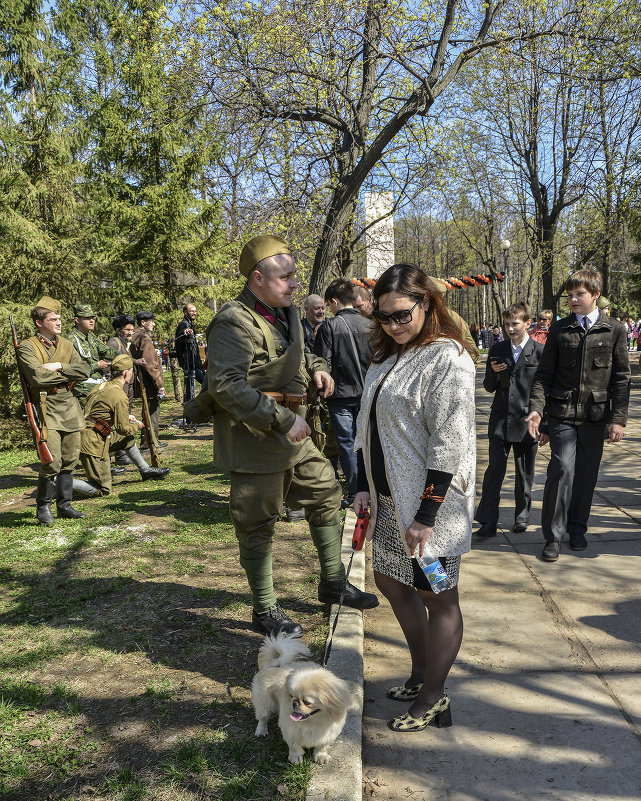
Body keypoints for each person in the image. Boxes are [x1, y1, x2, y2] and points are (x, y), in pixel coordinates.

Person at [206, 234, 378, 637]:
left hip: (290, 430)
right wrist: (282, 419)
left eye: (294, 275)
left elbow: (302, 353)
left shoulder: (284, 314)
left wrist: (319, 366)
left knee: (325, 491)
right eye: (286, 276)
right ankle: (264, 611)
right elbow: (227, 386)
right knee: (257, 522)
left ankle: (333, 582)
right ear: (258, 279)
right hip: (254, 436)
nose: (295, 283)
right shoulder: (233, 321)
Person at [354, 262, 476, 733]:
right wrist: (362, 486)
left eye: (402, 315)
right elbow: (366, 429)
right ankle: (423, 671)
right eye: (383, 317)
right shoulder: (385, 358)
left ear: (427, 302)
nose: (393, 325)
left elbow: (450, 442)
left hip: (432, 507)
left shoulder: (448, 358)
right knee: (390, 582)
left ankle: (433, 695)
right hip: (387, 502)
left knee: (437, 595)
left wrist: (426, 515)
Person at [526, 269, 630, 562]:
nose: (572, 299)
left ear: (595, 294)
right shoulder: (560, 329)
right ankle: (553, 536)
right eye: (569, 294)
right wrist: (538, 413)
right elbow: (544, 376)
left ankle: (577, 528)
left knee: (586, 475)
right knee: (561, 471)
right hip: (561, 416)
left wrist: (618, 418)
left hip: (595, 418)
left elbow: (621, 378)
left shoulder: (615, 329)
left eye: (579, 294)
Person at [16, 296, 91, 524]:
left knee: (70, 460)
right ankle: (43, 507)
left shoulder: (67, 345)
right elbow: (37, 377)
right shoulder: (28, 347)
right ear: (40, 322)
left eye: (59, 318)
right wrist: (68, 373)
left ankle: (64, 505)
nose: (59, 323)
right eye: (53, 319)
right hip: (45, 407)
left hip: (69, 406)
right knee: (52, 461)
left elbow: (85, 370)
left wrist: (60, 366)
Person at [475, 302, 545, 537]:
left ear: (527, 323)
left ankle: (521, 517)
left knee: (525, 473)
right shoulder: (498, 349)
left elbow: (542, 388)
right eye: (506, 324)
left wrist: (540, 417)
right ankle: (487, 520)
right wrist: (494, 373)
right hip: (500, 421)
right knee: (494, 470)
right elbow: (488, 387)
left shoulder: (539, 351)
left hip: (527, 422)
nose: (510, 328)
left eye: (515, 324)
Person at [313, 278, 372, 506]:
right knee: (366, 442)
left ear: (335, 301)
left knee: (347, 443)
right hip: (367, 394)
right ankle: (368, 488)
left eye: (329, 305)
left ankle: (354, 490)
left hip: (340, 396)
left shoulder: (329, 326)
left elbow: (322, 363)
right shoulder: (371, 325)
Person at [79, 354, 170, 493]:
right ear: (126, 373)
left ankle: (145, 470)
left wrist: (125, 416)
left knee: (126, 440)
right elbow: (123, 429)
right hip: (92, 443)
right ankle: (58, 482)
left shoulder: (102, 386)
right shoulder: (119, 395)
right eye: (132, 371)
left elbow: (97, 412)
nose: (132, 375)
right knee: (102, 489)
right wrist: (138, 425)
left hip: (90, 433)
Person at [67, 304, 120, 406]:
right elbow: (73, 369)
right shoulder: (71, 340)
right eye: (87, 318)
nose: (92, 321)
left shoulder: (91, 337)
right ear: (77, 320)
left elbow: (108, 352)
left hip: (97, 386)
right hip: (82, 390)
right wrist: (97, 365)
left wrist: (132, 359)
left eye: (93, 318)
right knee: (89, 420)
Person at [130, 311, 167, 450]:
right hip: (148, 381)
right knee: (152, 410)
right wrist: (159, 385)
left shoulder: (134, 335)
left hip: (140, 378)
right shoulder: (143, 337)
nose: (153, 324)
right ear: (143, 322)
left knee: (148, 410)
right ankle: (150, 442)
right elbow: (150, 364)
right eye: (150, 321)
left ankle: (150, 441)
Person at [175, 303, 204, 404]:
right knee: (206, 385)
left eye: (195, 311)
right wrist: (185, 332)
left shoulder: (189, 323)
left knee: (191, 390)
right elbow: (181, 335)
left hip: (192, 364)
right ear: (185, 312)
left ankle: (190, 415)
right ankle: (191, 414)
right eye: (192, 311)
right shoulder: (184, 324)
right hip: (191, 364)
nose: (194, 313)